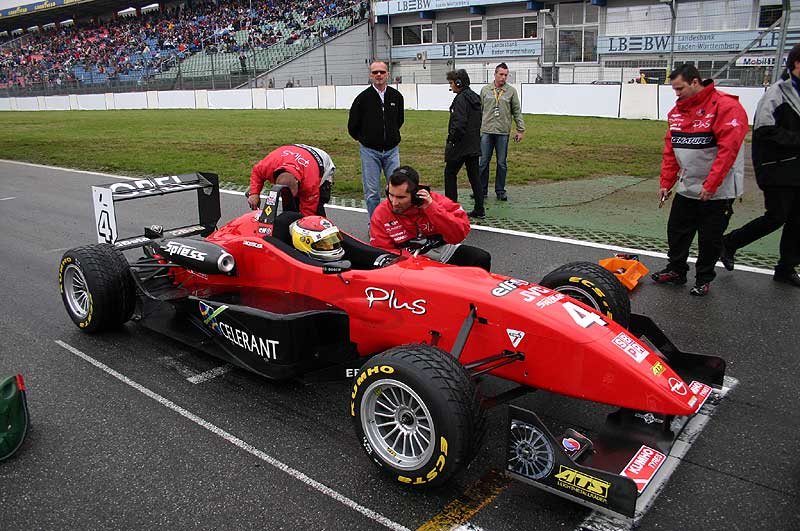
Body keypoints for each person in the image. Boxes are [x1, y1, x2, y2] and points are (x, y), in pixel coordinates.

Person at [651, 64, 748, 296]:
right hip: (688, 185)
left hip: (718, 190)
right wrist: (666, 182)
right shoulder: (676, 112)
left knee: (710, 238)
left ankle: (704, 278)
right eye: (674, 89)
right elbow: (671, 150)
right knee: (677, 232)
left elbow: (728, 151)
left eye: (680, 88)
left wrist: (711, 185)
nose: (677, 94)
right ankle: (676, 270)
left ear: (695, 82)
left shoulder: (726, 106)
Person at [720, 43, 800, 287]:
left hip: (795, 168)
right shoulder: (777, 92)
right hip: (777, 168)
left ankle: (786, 268)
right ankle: (730, 242)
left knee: (797, 220)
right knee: (776, 216)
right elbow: (764, 131)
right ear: (797, 64)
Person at [369, 166, 491, 271]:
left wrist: (431, 208)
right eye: (391, 195)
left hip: (440, 251)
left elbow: (458, 235)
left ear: (415, 195)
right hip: (407, 263)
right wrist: (418, 262)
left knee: (481, 258)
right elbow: (381, 254)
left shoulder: (435, 201)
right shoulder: (381, 213)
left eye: (401, 197)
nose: (394, 202)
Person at [348, 60, 405, 219]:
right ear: (370, 75)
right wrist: (366, 139)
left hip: (392, 151)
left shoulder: (396, 96)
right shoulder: (362, 99)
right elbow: (353, 125)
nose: (379, 75)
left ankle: (395, 222)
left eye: (382, 72)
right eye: (375, 72)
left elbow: (399, 120)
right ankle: (374, 224)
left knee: (396, 188)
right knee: (372, 192)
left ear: (388, 74)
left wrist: (391, 136)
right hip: (370, 152)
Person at [478, 62, 525, 202]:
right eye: (501, 74)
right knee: (483, 162)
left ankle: (500, 191)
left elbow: (517, 111)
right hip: (487, 131)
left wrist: (520, 130)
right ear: (495, 74)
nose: (503, 77)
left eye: (505, 75)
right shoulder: (485, 90)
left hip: (503, 132)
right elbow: (479, 111)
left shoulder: (511, 91)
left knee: (501, 163)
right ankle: (481, 190)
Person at [247, 144, 336, 217]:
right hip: (292, 153)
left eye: (290, 194)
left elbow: (309, 211)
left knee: (316, 213)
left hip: (321, 163)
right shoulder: (268, 166)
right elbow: (257, 172)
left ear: (297, 183)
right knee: (289, 211)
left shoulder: (310, 183)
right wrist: (254, 194)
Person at [444, 69, 484, 218]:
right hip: (473, 143)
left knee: (450, 173)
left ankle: (451, 209)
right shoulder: (474, 97)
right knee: (474, 177)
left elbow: (459, 123)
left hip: (461, 144)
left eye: (451, 83)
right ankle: (479, 208)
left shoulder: (461, 99)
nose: (451, 86)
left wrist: (452, 140)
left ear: (459, 83)